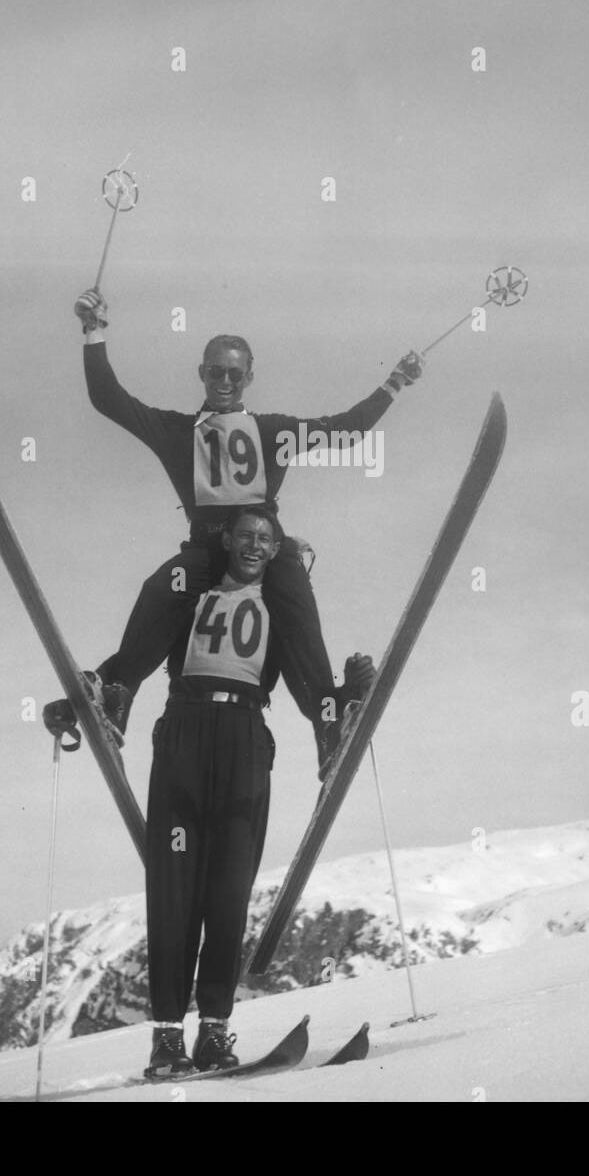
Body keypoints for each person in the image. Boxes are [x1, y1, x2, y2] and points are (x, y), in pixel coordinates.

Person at [62, 285, 422, 774]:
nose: (224, 381)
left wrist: (396, 382)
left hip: (263, 547)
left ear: (249, 377)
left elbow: (346, 428)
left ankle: (329, 720)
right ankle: (116, 692)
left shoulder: (273, 431)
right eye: (215, 372)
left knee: (295, 607)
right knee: (161, 591)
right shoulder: (176, 431)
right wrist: (94, 328)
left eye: (234, 373)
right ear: (202, 374)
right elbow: (108, 398)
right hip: (208, 550)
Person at [140, 505, 369, 1077]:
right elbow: (142, 647)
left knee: (228, 894)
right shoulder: (194, 594)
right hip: (185, 735)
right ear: (227, 540)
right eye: (245, 535)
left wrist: (336, 705)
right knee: (173, 894)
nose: (254, 545)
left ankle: (214, 1030)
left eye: (266, 539)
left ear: (275, 550)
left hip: (245, 739)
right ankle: (167, 1037)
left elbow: (303, 675)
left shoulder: (278, 608)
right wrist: (93, 692)